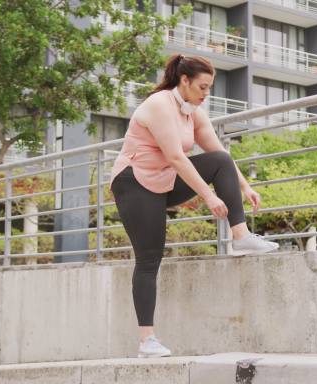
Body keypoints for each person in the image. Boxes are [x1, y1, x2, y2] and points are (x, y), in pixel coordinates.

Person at [109, 54, 279, 358]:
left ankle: (241, 238)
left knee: (220, 161)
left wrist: (245, 186)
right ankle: (147, 340)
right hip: (133, 181)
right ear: (184, 81)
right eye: (202, 86)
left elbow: (217, 151)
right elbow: (176, 156)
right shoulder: (160, 105)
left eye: (209, 88)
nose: (206, 93)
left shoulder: (193, 111)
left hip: (164, 179)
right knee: (149, 258)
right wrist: (209, 196)